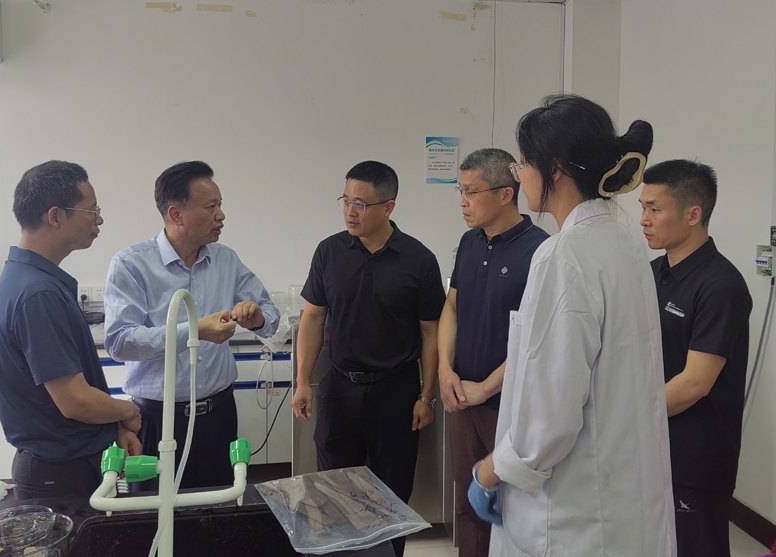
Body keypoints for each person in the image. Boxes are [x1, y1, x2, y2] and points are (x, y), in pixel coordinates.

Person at [468, 95, 676, 556]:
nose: (518, 175)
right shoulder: (622, 240)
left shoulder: (564, 255)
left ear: (556, 170)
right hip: (622, 494)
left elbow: (550, 411)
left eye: (523, 163)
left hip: (575, 510)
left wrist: (489, 471)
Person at [290, 161, 446, 557]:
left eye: (360, 204)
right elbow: (313, 318)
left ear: (389, 207)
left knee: (392, 492)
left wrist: (427, 395)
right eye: (345, 201)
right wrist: (302, 380)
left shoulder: (419, 260)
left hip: (396, 391)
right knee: (333, 489)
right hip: (340, 387)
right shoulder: (329, 252)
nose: (350, 212)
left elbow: (431, 332)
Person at [104, 161, 279, 491]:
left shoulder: (226, 259)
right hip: (157, 419)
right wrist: (194, 331)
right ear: (176, 214)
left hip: (217, 416)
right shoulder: (131, 264)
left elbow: (270, 315)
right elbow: (120, 342)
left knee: (218, 508)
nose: (221, 216)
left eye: (220, 205)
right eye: (211, 207)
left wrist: (257, 317)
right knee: (154, 512)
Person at [0, 160, 142, 500]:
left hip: (65, 462)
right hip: (60, 476)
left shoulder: (25, 278)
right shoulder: (38, 294)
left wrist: (113, 429)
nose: (99, 220)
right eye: (92, 210)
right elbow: (75, 402)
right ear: (55, 216)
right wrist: (129, 411)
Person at [438, 148, 548, 556]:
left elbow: (539, 337)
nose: (462, 201)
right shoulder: (469, 242)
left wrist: (486, 387)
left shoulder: (541, 251)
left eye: (471, 191)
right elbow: (452, 306)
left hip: (510, 406)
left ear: (505, 194)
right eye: (460, 190)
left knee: (512, 504)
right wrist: (444, 369)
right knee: (468, 503)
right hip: (462, 399)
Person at [640, 160, 752, 557]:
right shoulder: (651, 272)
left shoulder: (721, 286)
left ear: (693, 215)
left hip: (695, 460)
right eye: (642, 208)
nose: (643, 220)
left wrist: (627, 414)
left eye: (655, 209)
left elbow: (694, 384)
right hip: (651, 444)